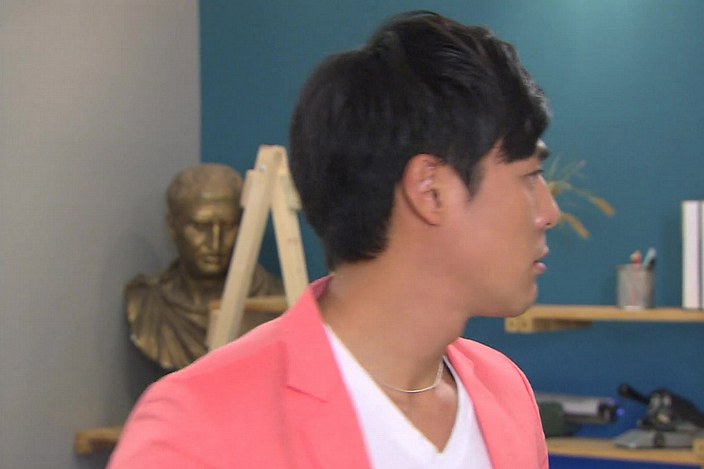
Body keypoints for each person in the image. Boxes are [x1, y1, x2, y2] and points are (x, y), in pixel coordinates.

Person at [109, 11, 559, 468]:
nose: (549, 212)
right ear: (431, 190)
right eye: (530, 176)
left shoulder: (505, 392)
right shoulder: (197, 428)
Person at [124, 163, 284, 371]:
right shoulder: (148, 304)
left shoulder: (275, 302)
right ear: (172, 227)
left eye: (228, 226)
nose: (215, 242)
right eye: (200, 227)